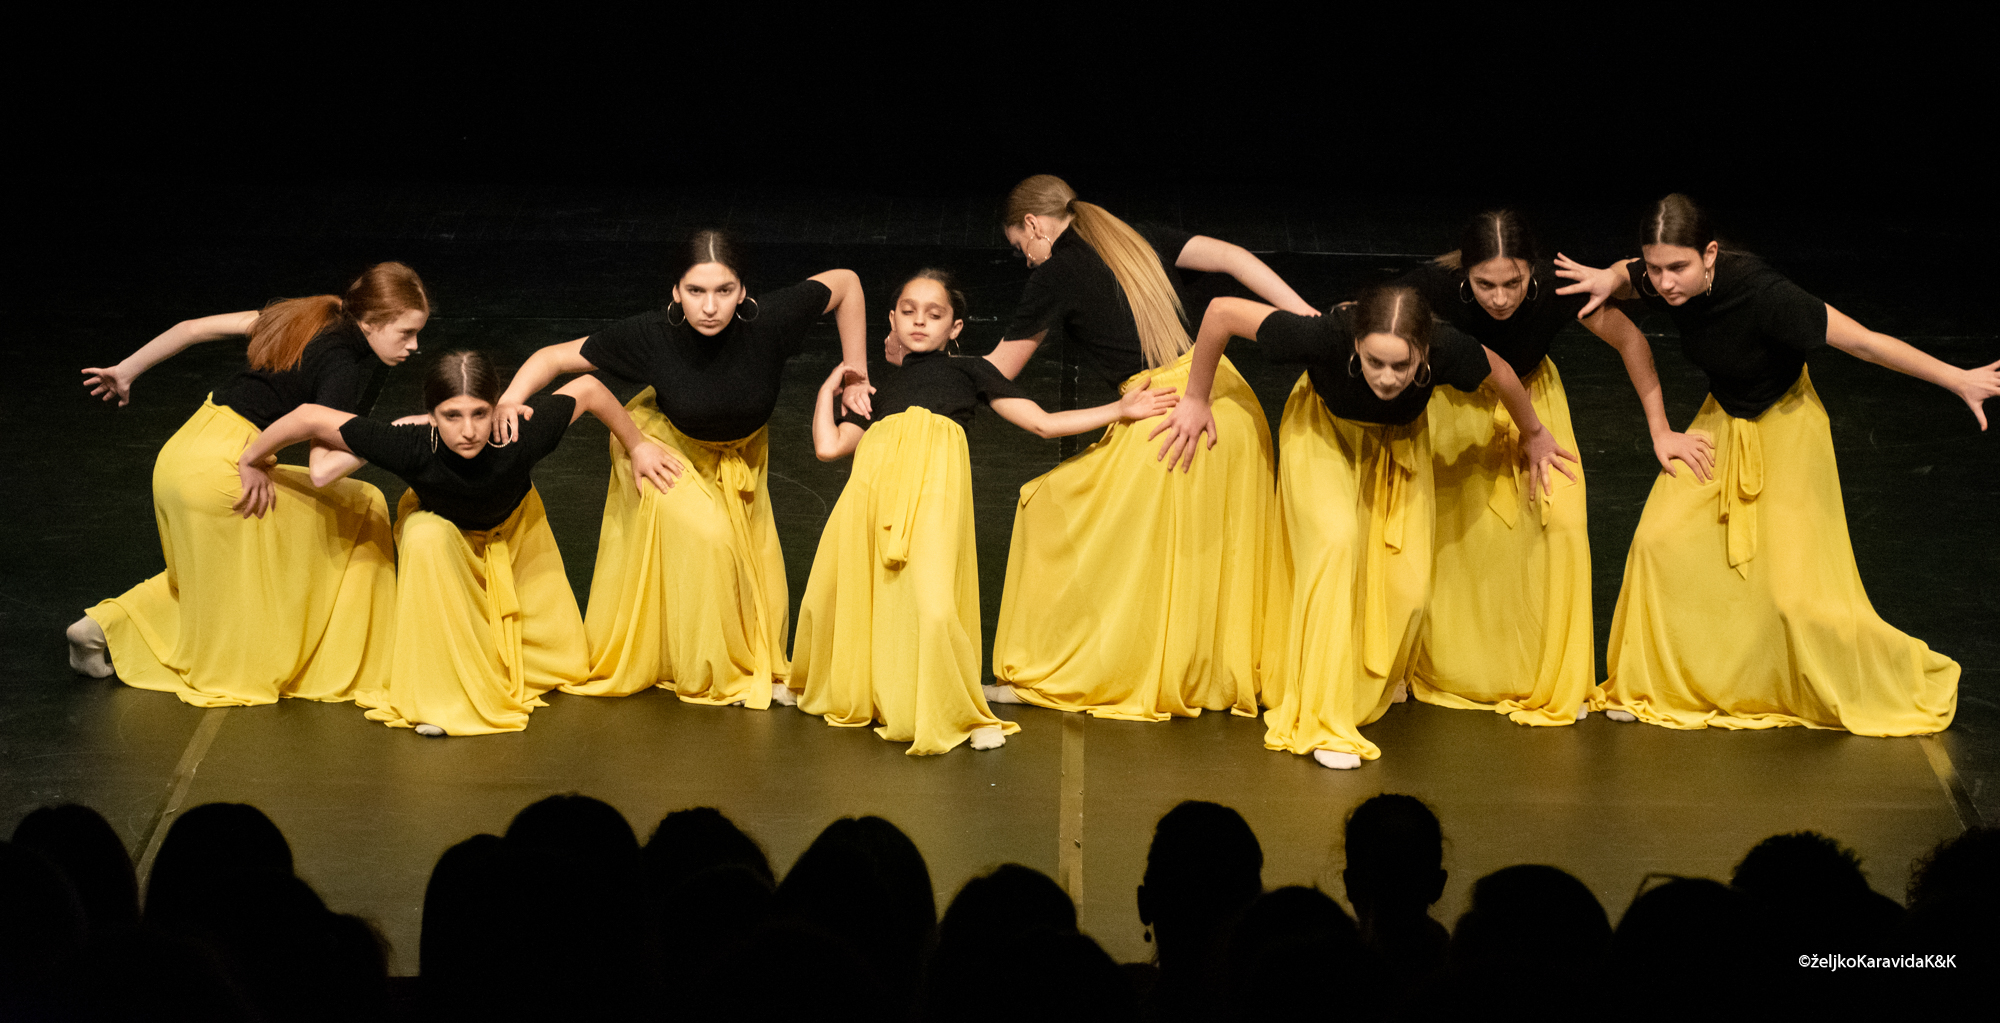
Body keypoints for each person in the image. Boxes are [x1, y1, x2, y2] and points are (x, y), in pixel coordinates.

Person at [1555, 194, 1989, 734]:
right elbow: (1629, 273)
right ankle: (1651, 682)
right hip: (1720, 420)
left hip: (1786, 424)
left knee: (1794, 598)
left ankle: (1839, 679)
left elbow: (1867, 344)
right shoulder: (1659, 274)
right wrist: (1609, 278)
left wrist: (1957, 378)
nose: (1665, 284)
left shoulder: (1764, 294)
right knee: (1656, 543)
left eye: (1678, 268)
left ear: (1710, 255)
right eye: (1657, 268)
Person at [1154, 286, 1573, 768]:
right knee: (1335, 544)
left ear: (1424, 353)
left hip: (1398, 444)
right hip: (1322, 431)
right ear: (1356, 346)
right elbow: (1221, 311)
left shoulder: (1449, 347)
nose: (1388, 377)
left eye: (1402, 366)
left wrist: (1535, 433)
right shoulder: (1322, 336)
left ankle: (1375, 677)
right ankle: (1324, 720)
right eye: (1375, 362)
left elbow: (1498, 368)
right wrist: (1195, 398)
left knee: (1410, 586)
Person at [793, 270, 1178, 754]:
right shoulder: (874, 391)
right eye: (908, 311)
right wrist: (829, 390)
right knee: (843, 595)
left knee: (934, 606)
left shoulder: (970, 370)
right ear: (890, 319)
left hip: (932, 491)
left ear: (955, 328)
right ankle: (866, 692)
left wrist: (1119, 410)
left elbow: (1040, 422)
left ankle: (959, 711)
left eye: (935, 315)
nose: (919, 322)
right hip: (871, 493)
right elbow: (830, 448)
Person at [980, 174, 1316, 721]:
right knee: (1207, 546)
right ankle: (1202, 668)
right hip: (1228, 402)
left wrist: (932, 370)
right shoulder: (1138, 237)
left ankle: (1064, 667)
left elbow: (998, 373)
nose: (1027, 262)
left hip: (1168, 414)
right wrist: (1308, 319)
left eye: (1022, 249)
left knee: (1046, 506)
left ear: (1034, 226)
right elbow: (1234, 258)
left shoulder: (1056, 275)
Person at [492, 230, 869, 710]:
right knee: (712, 541)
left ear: (743, 292)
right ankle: (719, 673)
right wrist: (508, 400)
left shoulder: (771, 320)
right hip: (660, 446)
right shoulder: (653, 335)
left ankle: (723, 657)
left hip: (741, 457)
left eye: (723, 291)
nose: (709, 307)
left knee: (756, 582)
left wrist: (856, 370)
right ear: (676, 292)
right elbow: (552, 358)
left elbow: (847, 283)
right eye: (695, 291)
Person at [233, 350, 676, 736]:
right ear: (431, 414)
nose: (468, 430)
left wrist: (637, 446)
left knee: (566, 669)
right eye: (452, 416)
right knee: (427, 537)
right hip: (442, 532)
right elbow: (310, 416)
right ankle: (440, 690)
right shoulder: (410, 444)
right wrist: (250, 460)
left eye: (479, 413)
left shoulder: (518, 436)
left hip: (513, 530)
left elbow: (589, 389)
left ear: (493, 408)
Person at [67, 263, 426, 706]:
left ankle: (101, 626)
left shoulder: (307, 315)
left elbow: (192, 328)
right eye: (405, 333)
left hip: (183, 453)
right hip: (228, 470)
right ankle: (349, 651)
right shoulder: (341, 366)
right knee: (364, 502)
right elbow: (322, 470)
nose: (414, 346)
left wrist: (125, 370)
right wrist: (395, 433)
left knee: (209, 576)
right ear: (370, 322)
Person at [1397, 211, 1678, 726]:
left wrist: (1660, 430)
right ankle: (1418, 666)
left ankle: (1558, 676)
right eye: (1485, 284)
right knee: (1448, 540)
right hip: (1456, 411)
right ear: (1465, 273)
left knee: (1563, 525)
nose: (1500, 297)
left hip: (1534, 406)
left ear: (1532, 270)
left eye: (1513, 281)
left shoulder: (1556, 289)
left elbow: (1631, 341)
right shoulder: (1431, 288)